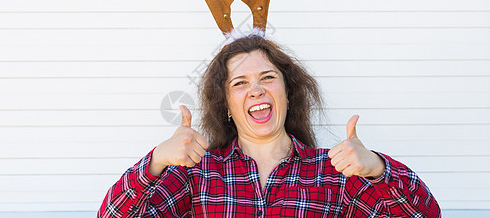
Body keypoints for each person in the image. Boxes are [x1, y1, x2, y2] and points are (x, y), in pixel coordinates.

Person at [97, 35, 441, 217]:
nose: (256, 90)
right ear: (227, 106)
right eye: (240, 83)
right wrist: (155, 161)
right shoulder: (196, 174)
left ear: (288, 93)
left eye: (267, 78)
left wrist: (378, 169)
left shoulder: (334, 172)